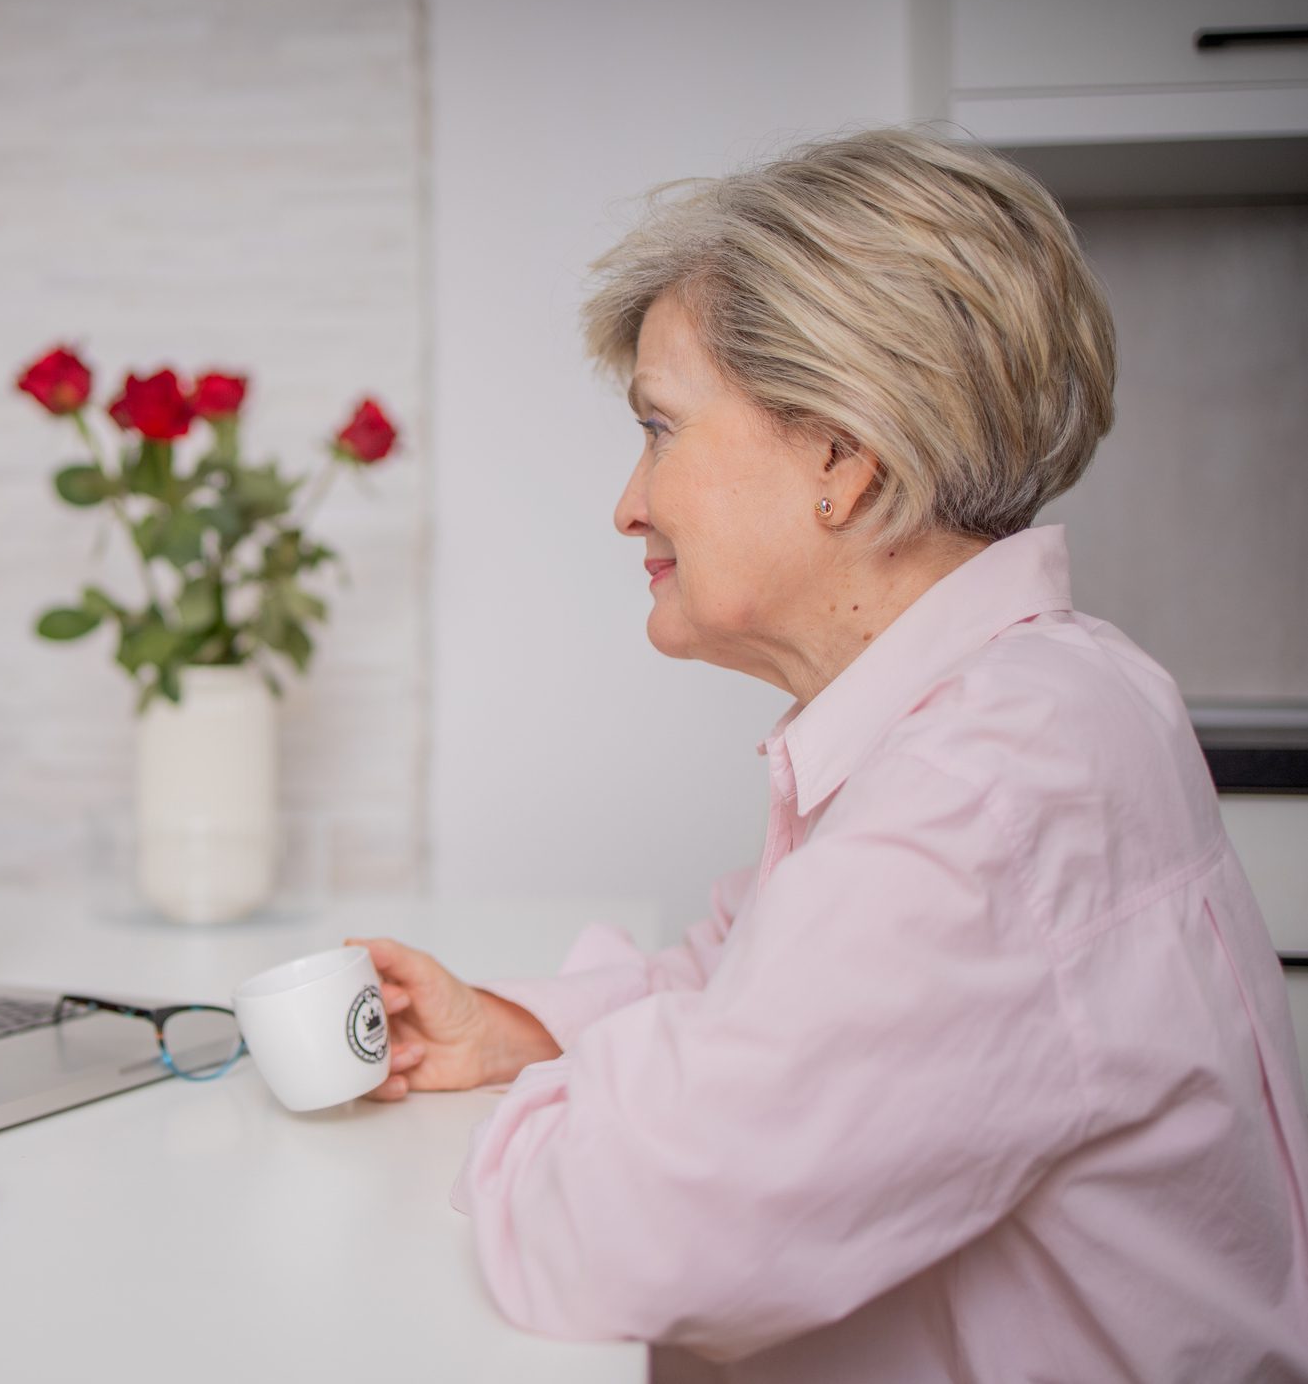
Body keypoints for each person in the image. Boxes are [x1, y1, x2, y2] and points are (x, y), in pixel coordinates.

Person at [352, 129, 1308, 1380]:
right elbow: (754, 981)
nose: (628, 504)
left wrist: (578, 1117)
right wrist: (514, 1030)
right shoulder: (1033, 696)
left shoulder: (991, 790)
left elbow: (640, 1229)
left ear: (842, 458)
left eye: (660, 429)